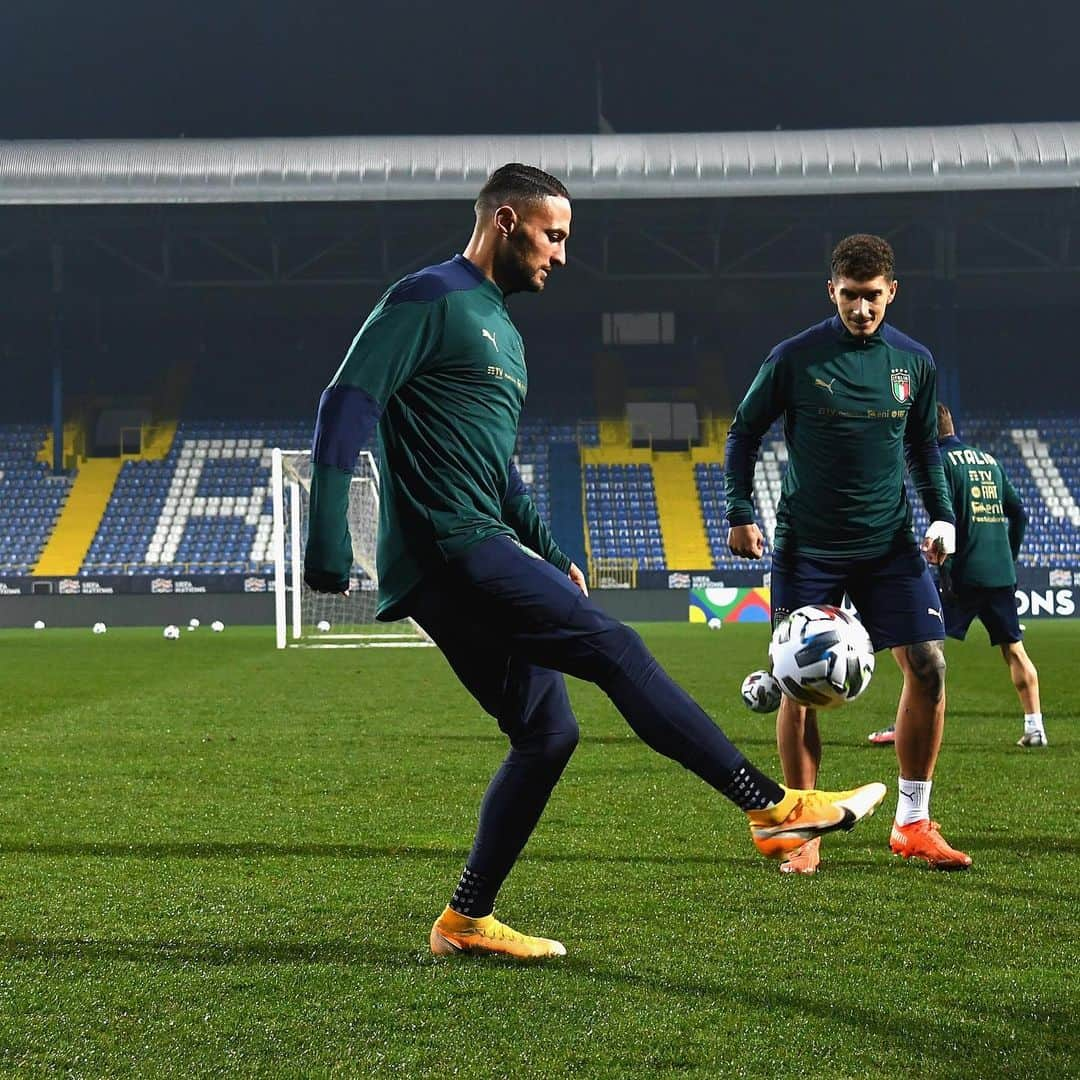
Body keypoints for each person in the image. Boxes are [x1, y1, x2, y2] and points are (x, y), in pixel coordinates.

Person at [304, 164, 886, 960]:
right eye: (553, 235)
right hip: (449, 546)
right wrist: (327, 538)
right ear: (505, 222)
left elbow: (496, 467)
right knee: (615, 648)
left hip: (478, 541)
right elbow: (348, 399)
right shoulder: (427, 298)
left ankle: (465, 920)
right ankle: (770, 808)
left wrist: (549, 550)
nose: (563, 255)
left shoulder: (503, 333)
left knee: (547, 732)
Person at [725, 233, 971, 875]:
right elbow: (743, 432)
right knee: (797, 688)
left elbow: (923, 451)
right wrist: (740, 511)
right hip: (807, 547)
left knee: (930, 667)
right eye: (850, 296)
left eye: (872, 297)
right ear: (831, 291)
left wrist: (941, 514)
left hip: (889, 544)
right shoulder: (796, 358)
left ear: (892, 292)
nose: (861, 309)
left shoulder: (914, 362)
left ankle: (913, 822)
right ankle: (803, 827)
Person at [867, 403, 1046, 749]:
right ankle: (1035, 726)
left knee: (919, 645)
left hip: (961, 573)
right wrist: (1008, 557)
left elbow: (944, 515)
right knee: (1015, 650)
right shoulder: (988, 460)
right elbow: (1019, 513)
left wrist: (945, 568)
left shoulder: (939, 462)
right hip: (999, 574)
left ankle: (909, 722)